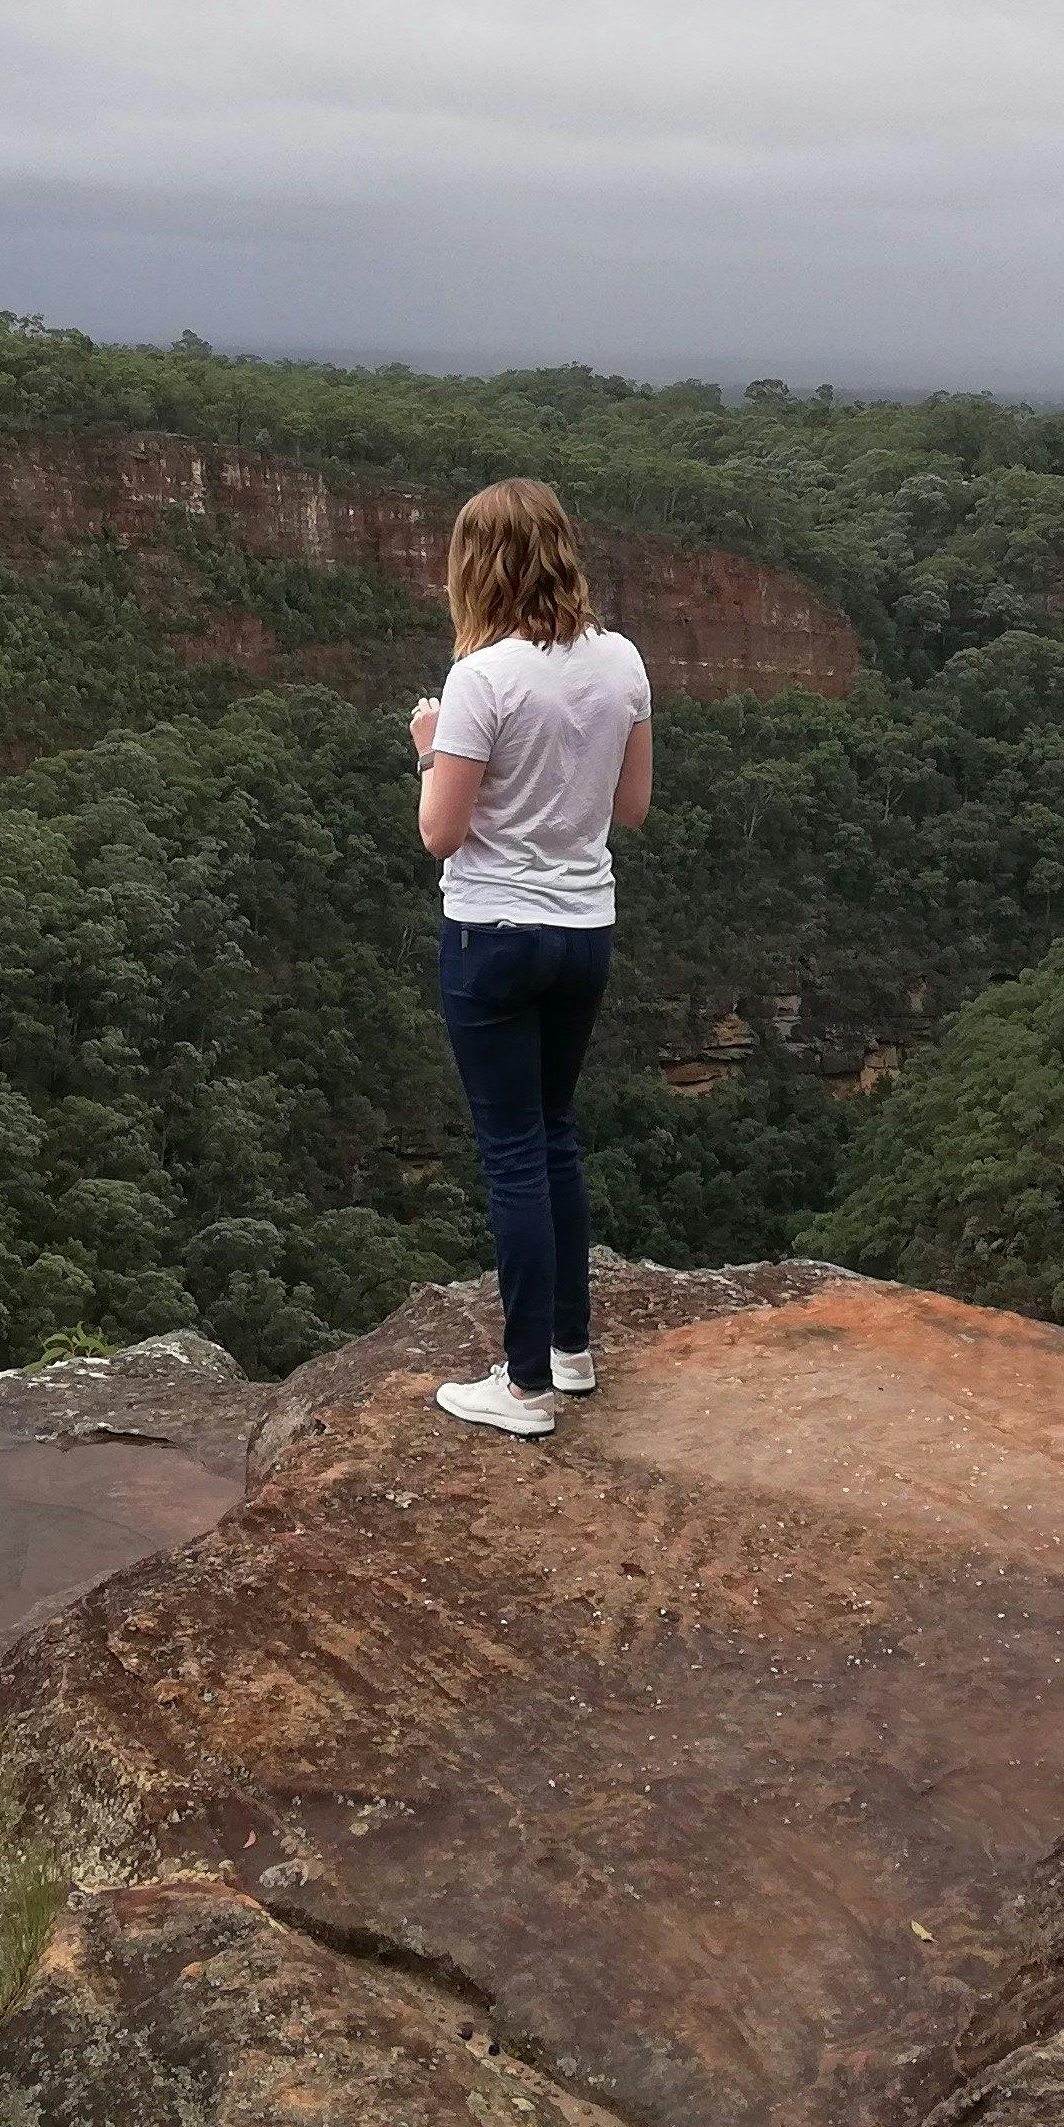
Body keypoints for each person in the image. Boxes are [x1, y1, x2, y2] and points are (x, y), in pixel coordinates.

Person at [409, 477, 652, 1438]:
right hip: (584, 930)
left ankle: (521, 1390)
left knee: (511, 1154)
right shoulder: (622, 660)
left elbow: (440, 833)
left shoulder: (481, 679)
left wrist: (431, 747)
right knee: (554, 1137)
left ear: (476, 567)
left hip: (493, 937)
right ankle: (571, 1351)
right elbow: (629, 809)